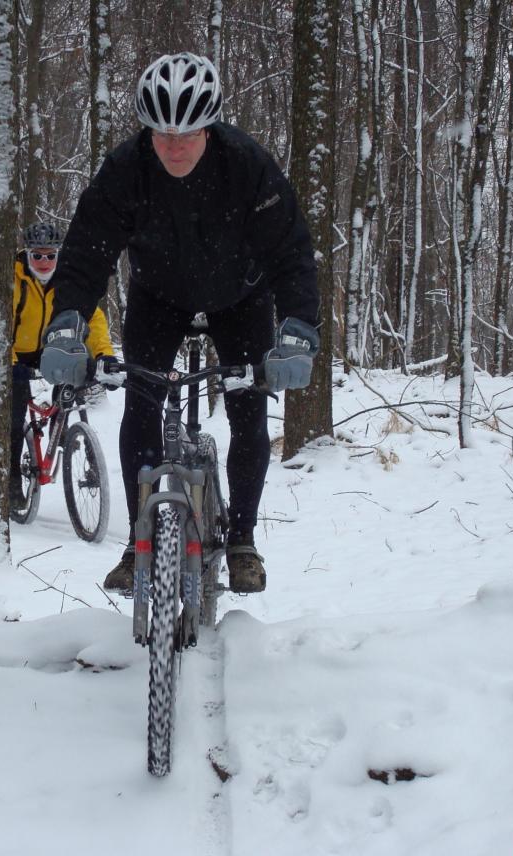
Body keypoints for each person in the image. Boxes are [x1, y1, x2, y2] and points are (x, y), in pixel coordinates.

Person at [38, 52, 320, 593]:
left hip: (240, 297)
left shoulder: (247, 166)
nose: (173, 145)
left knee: (247, 411)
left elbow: (291, 253)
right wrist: (66, 325)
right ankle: (138, 540)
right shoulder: (127, 170)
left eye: (187, 133)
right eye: (161, 133)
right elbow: (86, 254)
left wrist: (298, 333)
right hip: (158, 297)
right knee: (139, 407)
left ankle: (242, 539)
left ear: (208, 127)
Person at [9, 221, 114, 509]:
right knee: (15, 415)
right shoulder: (14, 280)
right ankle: (12, 479)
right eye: (37, 255)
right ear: (27, 254)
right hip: (17, 352)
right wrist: (11, 361)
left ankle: (62, 423)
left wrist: (104, 354)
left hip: (52, 348)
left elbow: (92, 318)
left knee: (76, 373)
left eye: (50, 255)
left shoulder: (68, 280)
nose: (44, 262)